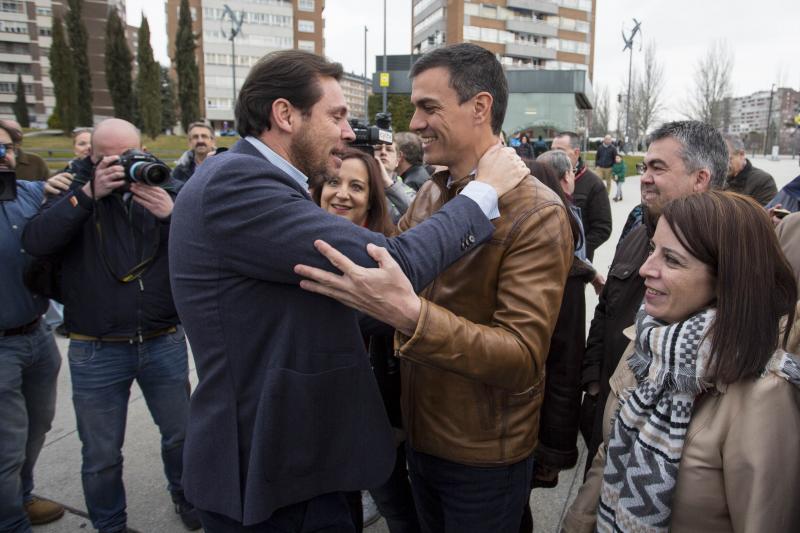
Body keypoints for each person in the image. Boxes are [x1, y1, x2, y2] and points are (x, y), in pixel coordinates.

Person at [169, 49, 528, 532]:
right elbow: (387, 264)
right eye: (336, 114)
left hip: (302, 461)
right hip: (271, 473)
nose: (347, 131)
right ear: (285, 114)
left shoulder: (261, 181)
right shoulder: (236, 183)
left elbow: (322, 302)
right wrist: (484, 192)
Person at [296, 43, 573, 533]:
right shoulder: (431, 191)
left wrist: (412, 318)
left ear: (480, 107)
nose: (415, 123)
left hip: (483, 458)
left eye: (428, 108)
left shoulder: (538, 212)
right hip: (420, 441)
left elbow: (522, 357)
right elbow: (381, 276)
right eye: (415, 108)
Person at [563, 191, 800, 532]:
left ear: (729, 278)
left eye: (671, 260)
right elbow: (610, 455)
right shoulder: (647, 343)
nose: (646, 269)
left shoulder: (766, 395)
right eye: (651, 250)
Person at [21, 118, 200, 532]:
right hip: (95, 348)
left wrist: (172, 215)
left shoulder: (162, 184)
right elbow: (35, 240)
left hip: (162, 340)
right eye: (110, 158)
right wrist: (88, 195)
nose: (122, 165)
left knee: (181, 436)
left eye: (130, 155)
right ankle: (109, 524)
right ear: (91, 156)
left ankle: (187, 498)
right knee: (101, 455)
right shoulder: (70, 189)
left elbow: (204, 248)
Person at [580, 120, 728, 475]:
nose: (644, 176)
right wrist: (593, 383)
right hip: (608, 418)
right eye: (645, 166)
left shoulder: (730, 253)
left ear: (700, 178)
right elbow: (605, 310)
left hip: (677, 452)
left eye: (657, 168)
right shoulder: (636, 235)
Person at [312, 148, 421, 533]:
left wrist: (394, 419)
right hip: (317, 425)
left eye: (356, 186)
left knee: (398, 507)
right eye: (333, 182)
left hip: (378, 421)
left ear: (372, 199)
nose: (341, 194)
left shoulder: (385, 258)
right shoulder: (293, 245)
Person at [0, 120, 66, 532]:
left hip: (37, 334)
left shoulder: (25, 193)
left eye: (6, 149)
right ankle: (11, 522)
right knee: (5, 445)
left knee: (37, 426)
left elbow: (58, 199)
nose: (4, 156)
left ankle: (21, 497)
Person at [552, 131, 612, 261]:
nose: (554, 156)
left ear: (576, 153)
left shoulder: (594, 184)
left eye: (560, 151)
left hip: (576, 265)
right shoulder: (544, 177)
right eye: (552, 150)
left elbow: (602, 229)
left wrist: (576, 250)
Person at [721, 134, 776, 206]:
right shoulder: (717, 178)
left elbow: (766, 214)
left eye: (728, 159)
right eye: (720, 160)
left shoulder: (764, 181)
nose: (723, 165)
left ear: (741, 154)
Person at [372, 141, 417, 222]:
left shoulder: (408, 192)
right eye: (377, 148)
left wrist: (388, 184)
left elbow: (416, 215)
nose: (383, 152)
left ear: (398, 159)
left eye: (389, 149)